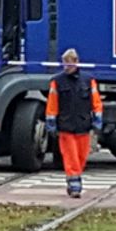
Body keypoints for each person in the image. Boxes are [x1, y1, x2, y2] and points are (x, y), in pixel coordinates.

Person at [45, 48, 103, 198]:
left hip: (83, 125)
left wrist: (97, 119)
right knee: (71, 157)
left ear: (76, 62)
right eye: (65, 63)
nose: (67, 66)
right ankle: (75, 184)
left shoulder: (89, 80)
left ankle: (74, 178)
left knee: (82, 156)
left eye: (69, 63)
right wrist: (51, 122)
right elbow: (52, 104)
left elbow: (96, 101)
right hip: (66, 126)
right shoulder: (57, 81)